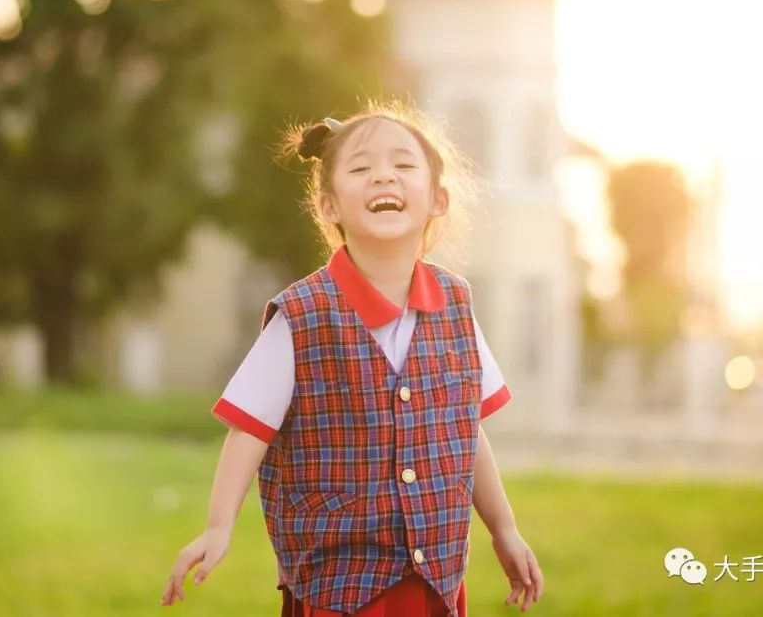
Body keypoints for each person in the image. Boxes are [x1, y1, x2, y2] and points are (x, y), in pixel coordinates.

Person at [161, 101, 544, 615]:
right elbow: (249, 430)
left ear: (437, 199)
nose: (383, 176)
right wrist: (217, 526)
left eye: (403, 166)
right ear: (329, 207)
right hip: (339, 587)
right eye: (362, 168)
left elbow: (464, 430)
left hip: (435, 581)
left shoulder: (456, 307)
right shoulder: (301, 318)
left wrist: (505, 530)